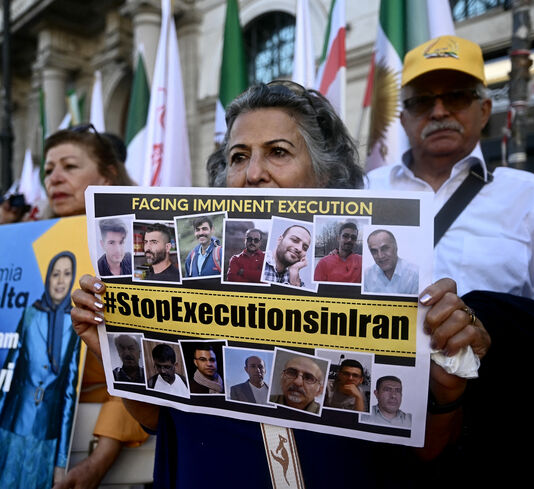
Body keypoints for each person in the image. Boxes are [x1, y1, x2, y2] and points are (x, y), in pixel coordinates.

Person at [71, 81, 490, 487]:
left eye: (277, 152)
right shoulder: (190, 281)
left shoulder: (383, 287)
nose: (253, 173)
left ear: (325, 176)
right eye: (238, 157)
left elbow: (427, 452)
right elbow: (160, 420)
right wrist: (109, 343)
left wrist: (448, 388)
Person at [366, 35, 534, 322]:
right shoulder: (369, 188)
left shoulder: (530, 198)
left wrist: (495, 330)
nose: (439, 112)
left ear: (484, 111)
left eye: (456, 96)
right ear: (404, 119)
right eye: (421, 101)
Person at [42, 125, 148, 489]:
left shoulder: (138, 252)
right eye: (48, 169)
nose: (54, 178)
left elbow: (141, 363)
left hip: (121, 440)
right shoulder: (29, 246)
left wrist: (100, 459)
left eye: (69, 166)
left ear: (107, 175)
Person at [0, 252, 81, 488]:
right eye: (56, 274)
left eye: (67, 274)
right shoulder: (30, 315)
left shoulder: (75, 323)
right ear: (47, 278)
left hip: (46, 439)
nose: (61, 281)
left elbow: (68, 395)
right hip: (11, 430)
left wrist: (61, 463)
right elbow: (6, 381)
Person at [363, 229, 419, 294]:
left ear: (396, 247)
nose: (380, 256)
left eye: (385, 248)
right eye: (374, 251)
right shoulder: (367, 275)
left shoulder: (415, 274)